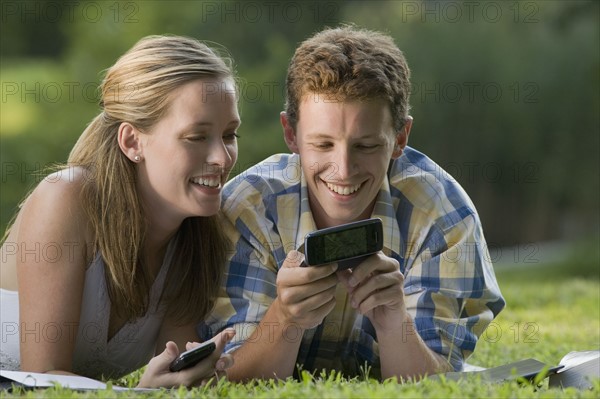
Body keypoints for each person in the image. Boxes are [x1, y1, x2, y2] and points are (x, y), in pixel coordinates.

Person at [200, 26, 506, 381]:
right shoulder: (248, 209)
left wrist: (395, 320)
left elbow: (435, 385)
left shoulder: (444, 218)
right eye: (323, 145)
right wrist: (285, 316)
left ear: (400, 138)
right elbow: (232, 380)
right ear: (290, 134)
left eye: (366, 146)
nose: (343, 171)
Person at [0, 35, 240, 388]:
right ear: (132, 142)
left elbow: (170, 369)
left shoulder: (198, 235)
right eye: (196, 137)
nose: (222, 158)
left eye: (230, 135)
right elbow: (41, 381)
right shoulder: (65, 199)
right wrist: (139, 394)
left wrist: (189, 378)